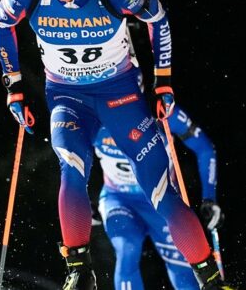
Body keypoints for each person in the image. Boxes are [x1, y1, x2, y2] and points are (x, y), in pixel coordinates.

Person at [0, 0, 236, 290]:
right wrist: (14, 88)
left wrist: (163, 81)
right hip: (67, 97)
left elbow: (158, 17)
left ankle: (214, 281)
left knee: (161, 193)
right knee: (71, 165)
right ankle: (78, 268)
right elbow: (1, 23)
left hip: (120, 95)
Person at [93, 104, 225, 290]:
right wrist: (84, 203)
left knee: (183, 271)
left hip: (161, 201)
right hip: (119, 199)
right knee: (127, 248)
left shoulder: (161, 111)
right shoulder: (94, 117)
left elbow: (204, 148)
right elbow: (71, 159)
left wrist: (209, 199)